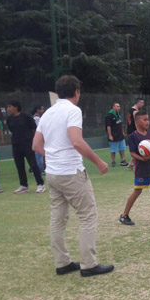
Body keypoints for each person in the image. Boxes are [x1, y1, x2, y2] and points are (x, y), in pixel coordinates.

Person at [32, 75, 113, 277]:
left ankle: (62, 262)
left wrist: (53, 156)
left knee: (57, 219)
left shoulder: (47, 114)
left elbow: (36, 146)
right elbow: (76, 141)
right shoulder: (73, 110)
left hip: (52, 173)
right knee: (88, 215)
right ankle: (89, 264)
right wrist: (99, 162)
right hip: (71, 173)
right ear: (77, 92)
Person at [6, 101, 45, 194]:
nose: (8, 109)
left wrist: (35, 141)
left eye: (10, 106)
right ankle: (24, 186)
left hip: (28, 144)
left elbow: (34, 129)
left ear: (16, 107)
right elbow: (11, 129)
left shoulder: (26, 117)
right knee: (19, 166)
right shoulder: (9, 119)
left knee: (33, 164)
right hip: (16, 145)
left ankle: (40, 184)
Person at [105, 102, 128, 167]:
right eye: (117, 106)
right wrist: (110, 135)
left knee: (122, 148)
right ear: (113, 107)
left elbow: (120, 125)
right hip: (114, 135)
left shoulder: (118, 114)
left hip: (120, 135)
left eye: (119, 106)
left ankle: (123, 160)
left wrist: (123, 132)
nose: (119, 107)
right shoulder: (109, 115)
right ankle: (113, 161)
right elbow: (108, 126)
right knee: (113, 149)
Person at [126, 98, 145, 169]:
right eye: (142, 103)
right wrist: (139, 131)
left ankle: (131, 163)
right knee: (138, 147)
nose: (143, 105)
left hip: (130, 130)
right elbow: (137, 122)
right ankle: (132, 163)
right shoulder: (135, 111)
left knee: (136, 147)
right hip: (134, 131)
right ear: (138, 103)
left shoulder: (129, 110)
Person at [32, 105, 45, 174]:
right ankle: (40, 170)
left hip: (36, 138)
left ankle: (38, 169)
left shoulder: (34, 118)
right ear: (38, 110)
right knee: (39, 154)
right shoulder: (37, 118)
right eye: (41, 109)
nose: (43, 110)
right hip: (39, 138)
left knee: (38, 154)